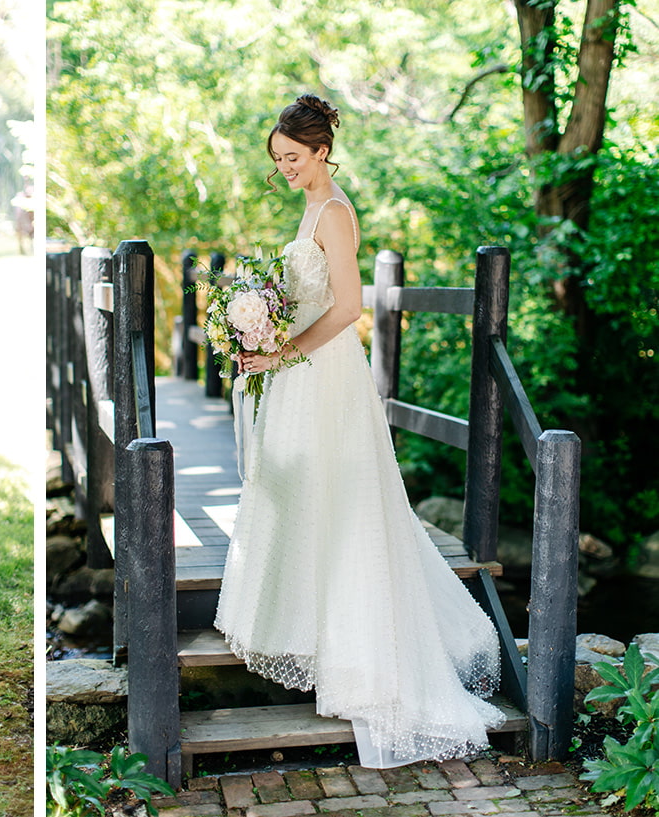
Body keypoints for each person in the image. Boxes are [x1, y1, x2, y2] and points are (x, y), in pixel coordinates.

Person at [213, 94, 505, 768]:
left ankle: (358, 656)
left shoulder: (337, 213)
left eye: (292, 156)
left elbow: (347, 307)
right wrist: (261, 319)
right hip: (299, 373)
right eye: (277, 159)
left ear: (320, 150)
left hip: (327, 376)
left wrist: (283, 349)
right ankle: (314, 632)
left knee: (339, 503)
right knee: (306, 496)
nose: (283, 167)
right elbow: (308, 296)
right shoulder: (310, 205)